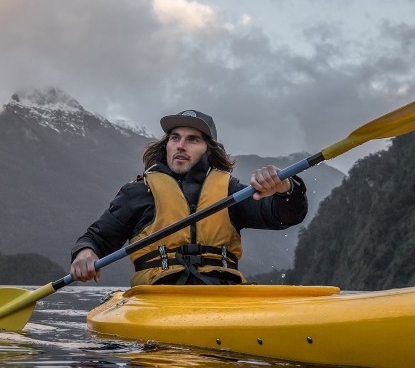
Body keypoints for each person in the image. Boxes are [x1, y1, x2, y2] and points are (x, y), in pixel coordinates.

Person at [70, 109, 308, 286]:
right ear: (167, 145)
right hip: (158, 295)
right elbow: (97, 238)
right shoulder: (139, 192)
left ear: (209, 149)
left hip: (224, 293)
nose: (181, 145)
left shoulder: (230, 191)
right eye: (175, 138)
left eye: (192, 139)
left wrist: (285, 188)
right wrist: (85, 253)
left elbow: (284, 215)